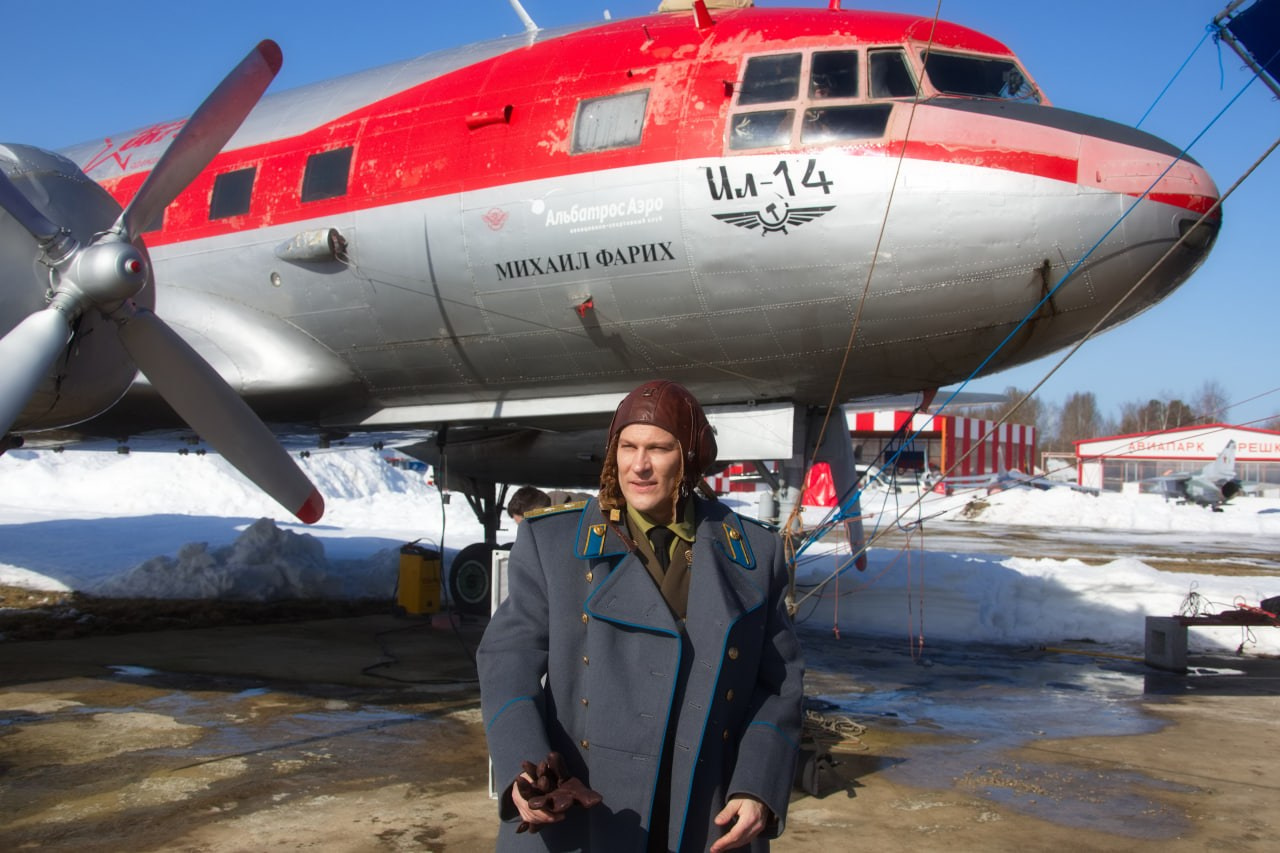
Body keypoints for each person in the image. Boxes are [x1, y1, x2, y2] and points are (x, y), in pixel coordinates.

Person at [478, 380, 804, 852]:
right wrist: (526, 771)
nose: (640, 465)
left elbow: (778, 685)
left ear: (689, 457)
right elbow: (506, 663)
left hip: (703, 812)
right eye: (628, 447)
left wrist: (757, 785)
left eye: (659, 448)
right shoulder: (553, 545)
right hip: (584, 809)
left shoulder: (755, 553)